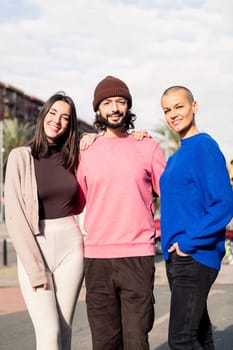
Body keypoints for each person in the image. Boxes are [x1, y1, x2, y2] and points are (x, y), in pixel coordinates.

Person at [77, 75, 166, 350]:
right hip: (97, 258)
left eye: (120, 101)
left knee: (136, 341)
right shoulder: (84, 152)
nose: (114, 107)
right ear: (98, 110)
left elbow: (172, 196)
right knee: (104, 342)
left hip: (137, 256)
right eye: (107, 102)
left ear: (128, 107)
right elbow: (76, 202)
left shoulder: (147, 147)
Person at [4, 92, 85, 350]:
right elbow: (15, 218)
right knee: (49, 333)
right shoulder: (20, 156)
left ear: (70, 125)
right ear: (43, 116)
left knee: (64, 331)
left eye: (65, 118)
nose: (57, 121)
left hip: (71, 246)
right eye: (53, 113)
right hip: (35, 246)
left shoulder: (74, 157)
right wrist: (36, 269)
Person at [159, 85, 233, 350]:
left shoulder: (205, 147)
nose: (173, 114)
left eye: (179, 106)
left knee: (181, 340)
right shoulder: (177, 156)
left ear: (194, 106)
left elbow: (224, 204)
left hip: (194, 255)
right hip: (178, 255)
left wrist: (188, 243)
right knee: (199, 335)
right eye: (167, 110)